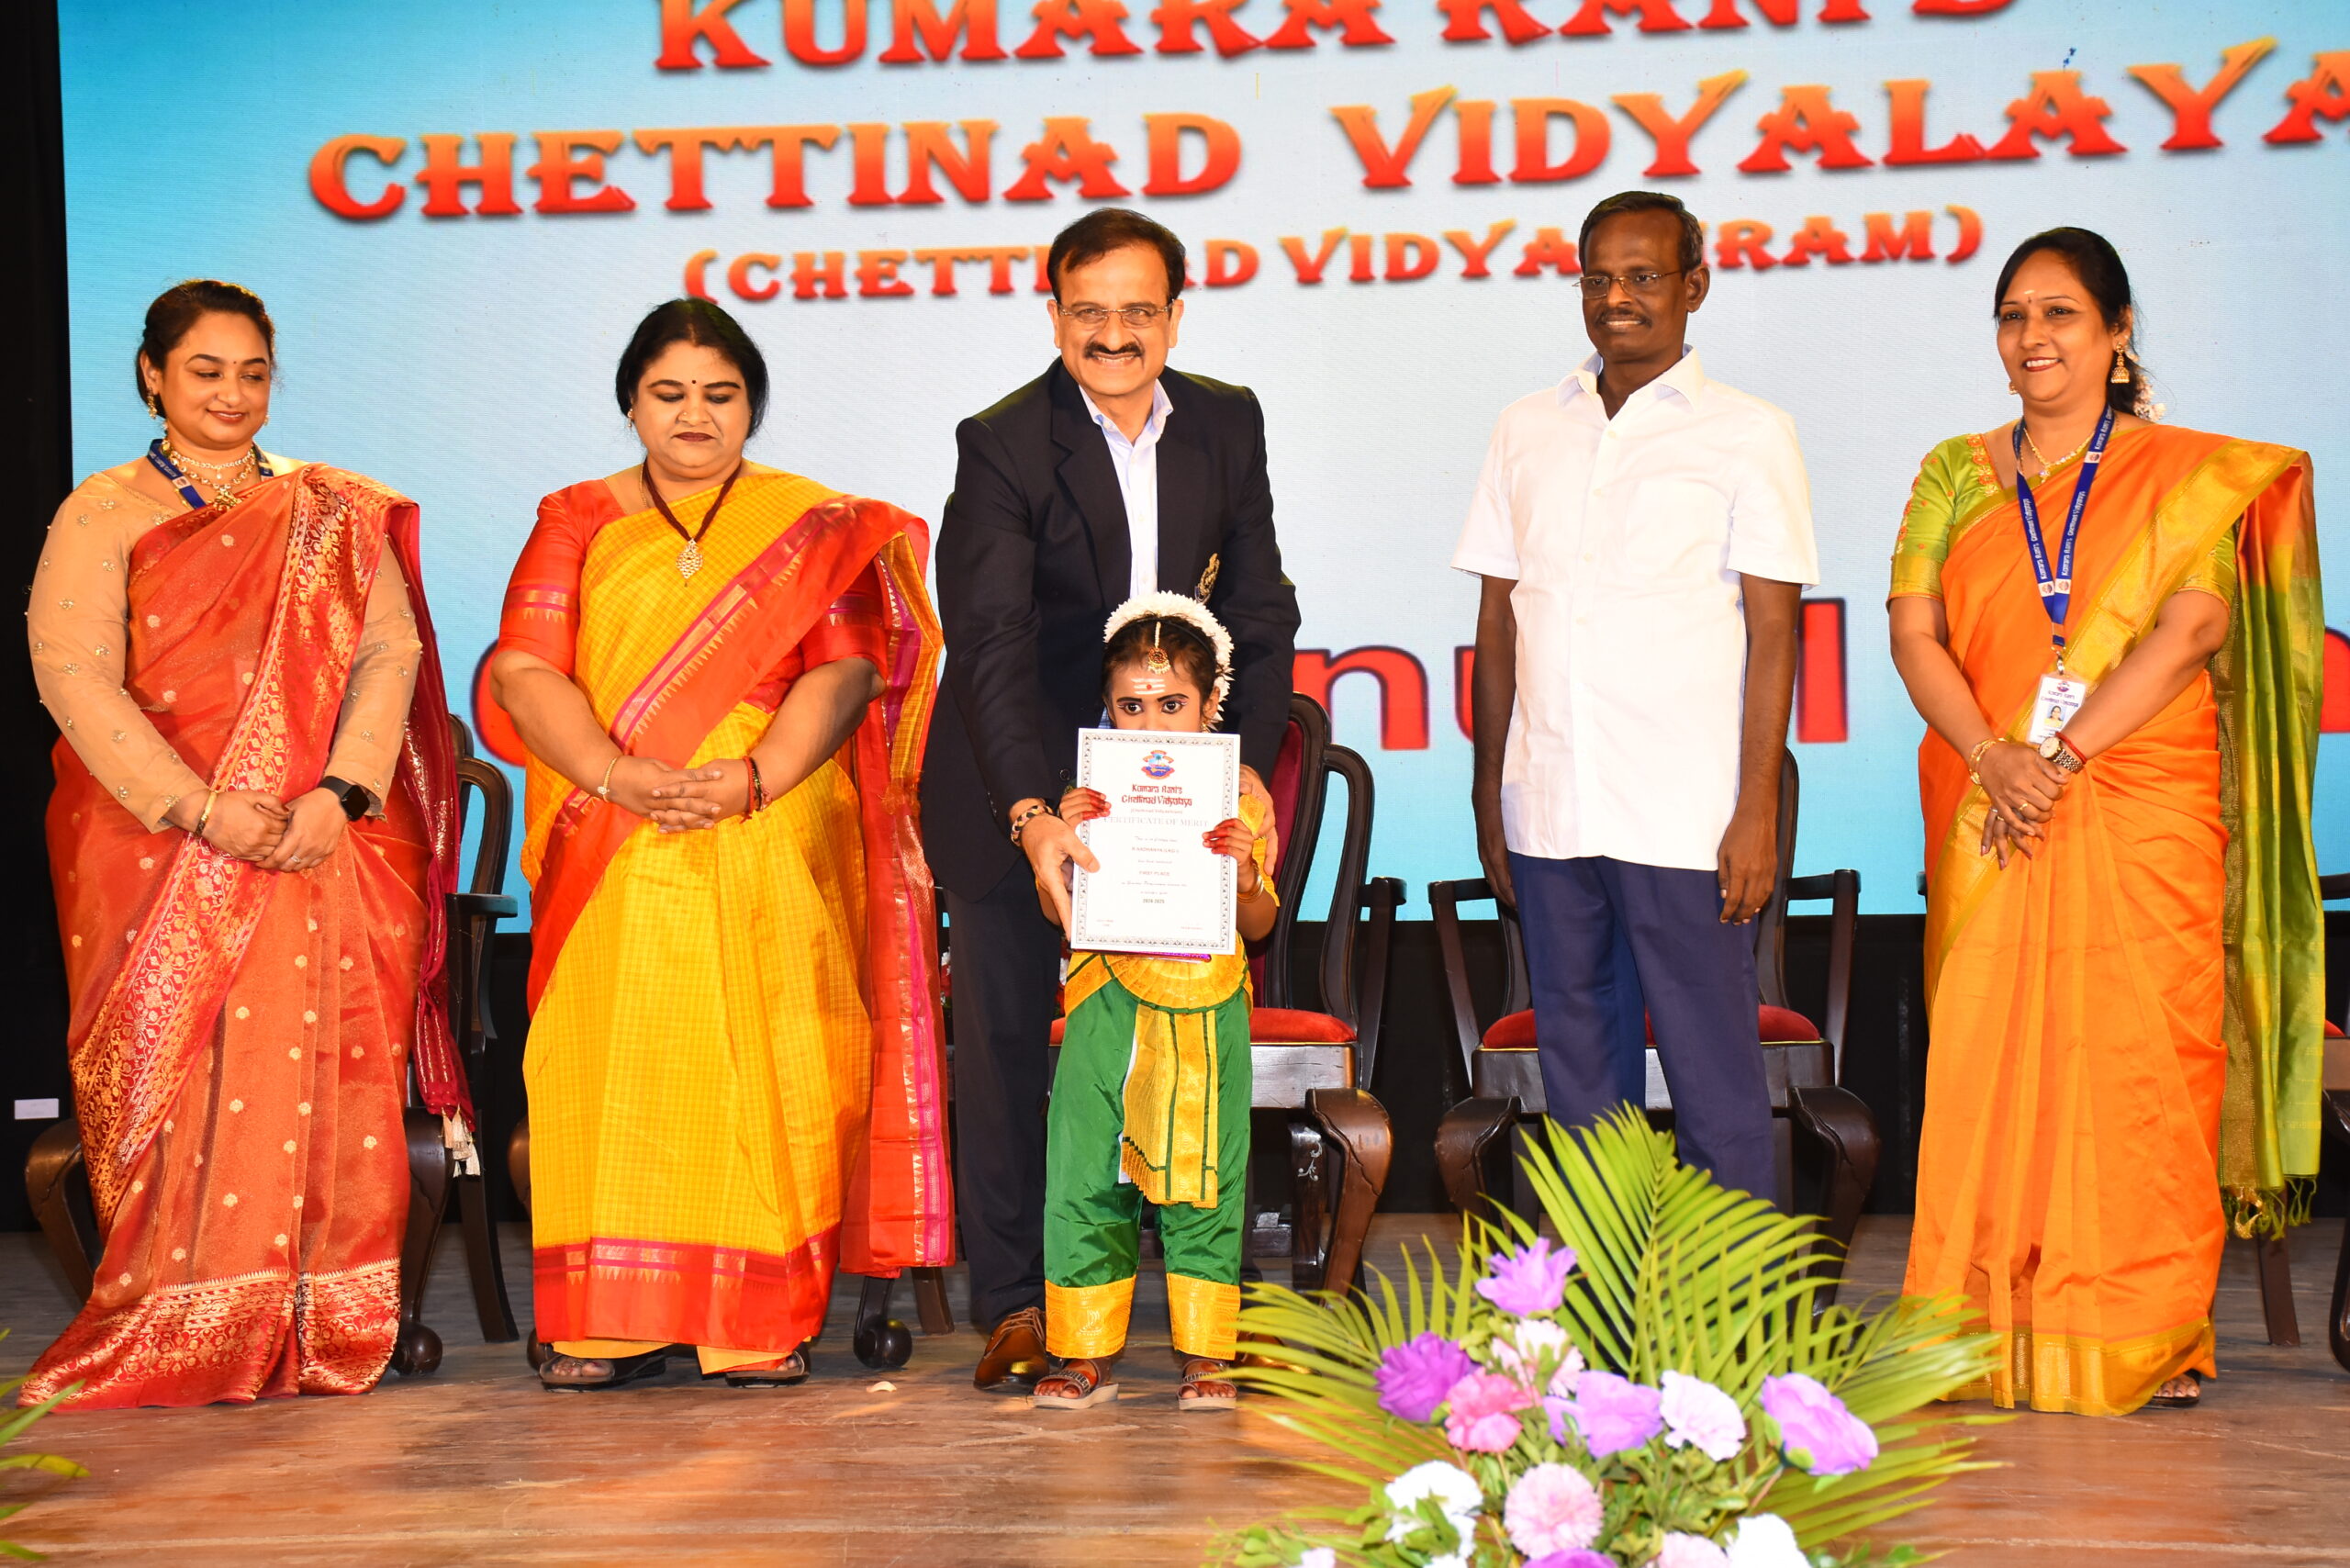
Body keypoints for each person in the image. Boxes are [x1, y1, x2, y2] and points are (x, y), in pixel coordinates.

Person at [1890, 227, 2322, 1416]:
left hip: (2140, 796)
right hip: (1992, 804)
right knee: (1987, 1067)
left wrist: (2062, 753)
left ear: (2118, 332)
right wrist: (1994, 756)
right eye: (2013, 315)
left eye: (2061, 313)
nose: (2032, 337)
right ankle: (1980, 1335)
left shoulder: (2187, 476)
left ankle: (2143, 1335)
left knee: (2139, 1067)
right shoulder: (1954, 471)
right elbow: (1914, 630)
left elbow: (2193, 628)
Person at [489, 297, 950, 1391]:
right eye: (669, 392)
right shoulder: (576, 517)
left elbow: (844, 671)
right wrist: (617, 774)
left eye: (720, 393)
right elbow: (524, 666)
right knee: (611, 1069)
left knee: (769, 1067)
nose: (694, 414)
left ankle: (755, 1322)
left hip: (769, 824)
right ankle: (604, 1323)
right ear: (630, 403)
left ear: (752, 406)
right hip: (614, 828)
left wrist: (753, 777)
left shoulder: (809, 524)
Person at [22, 280, 464, 1409]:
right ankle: (181, 1315)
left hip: (321, 838)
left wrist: (343, 794)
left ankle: (324, 1308)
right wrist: (197, 806)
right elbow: (72, 675)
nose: (230, 393)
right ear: (152, 376)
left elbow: (389, 653)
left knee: (328, 1064)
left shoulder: (329, 509)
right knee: (181, 1071)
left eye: (251, 372)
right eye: (205, 370)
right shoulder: (101, 509)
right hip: (155, 842)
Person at [922, 207, 1300, 1391]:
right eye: (1089, 311)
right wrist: (1032, 812)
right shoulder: (1002, 443)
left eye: (1140, 310)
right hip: (1019, 789)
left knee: (1181, 1047)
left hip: (1176, 801)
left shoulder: (1226, 422)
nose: (1115, 334)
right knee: (1005, 1052)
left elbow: (1262, 611)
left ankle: (1198, 1307)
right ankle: (1016, 1304)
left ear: (1176, 315)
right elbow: (988, 643)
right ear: (1054, 315)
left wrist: (1241, 762)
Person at [1452, 191, 1818, 1203]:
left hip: (1684, 815)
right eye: (1598, 277)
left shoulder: (1750, 433)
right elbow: (1497, 622)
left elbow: (1775, 634)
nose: (1617, 297)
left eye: (1643, 276)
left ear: (1694, 285)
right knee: (1580, 1088)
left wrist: (1755, 809)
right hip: (1551, 806)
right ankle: (1598, 1298)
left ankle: (1733, 1297)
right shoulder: (1525, 427)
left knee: (1714, 1080)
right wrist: (1490, 791)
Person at [1028, 595, 1277, 1414]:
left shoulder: (1240, 796)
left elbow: (1261, 924)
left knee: (1206, 1174)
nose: (1152, 723)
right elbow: (1056, 913)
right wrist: (1069, 845)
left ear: (1211, 703)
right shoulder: (1089, 793)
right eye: (1131, 707)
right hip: (1105, 998)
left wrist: (1244, 872)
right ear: (1108, 707)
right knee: (1086, 1170)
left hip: (1208, 1003)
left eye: (1172, 704)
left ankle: (1207, 1355)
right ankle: (1084, 1353)